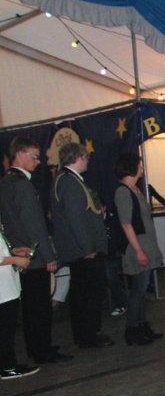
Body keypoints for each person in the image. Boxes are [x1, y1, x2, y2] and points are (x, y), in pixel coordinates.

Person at [0, 137, 72, 364]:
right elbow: (34, 224)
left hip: (17, 251)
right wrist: (48, 255)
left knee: (30, 307)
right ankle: (42, 349)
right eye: (34, 156)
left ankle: (35, 347)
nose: (38, 161)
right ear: (19, 154)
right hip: (33, 254)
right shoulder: (22, 185)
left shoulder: (5, 182)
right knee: (40, 307)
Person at [51, 142, 113, 349]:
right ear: (77, 157)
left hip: (83, 249)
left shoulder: (71, 180)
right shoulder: (69, 182)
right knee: (87, 294)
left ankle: (88, 333)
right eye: (85, 157)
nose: (87, 160)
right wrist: (87, 248)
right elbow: (75, 219)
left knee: (86, 292)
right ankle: (88, 335)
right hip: (84, 251)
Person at [113, 154, 164, 346]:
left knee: (142, 291)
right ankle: (132, 329)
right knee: (138, 290)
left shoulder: (136, 189)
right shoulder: (123, 191)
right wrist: (138, 251)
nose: (142, 169)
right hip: (137, 246)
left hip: (145, 243)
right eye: (140, 166)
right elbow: (126, 224)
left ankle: (142, 326)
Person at [0, 223, 39, 380]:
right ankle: (7, 366)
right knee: (5, 330)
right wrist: (14, 259)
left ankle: (8, 363)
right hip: (3, 289)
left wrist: (14, 252)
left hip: (7, 286)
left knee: (7, 329)